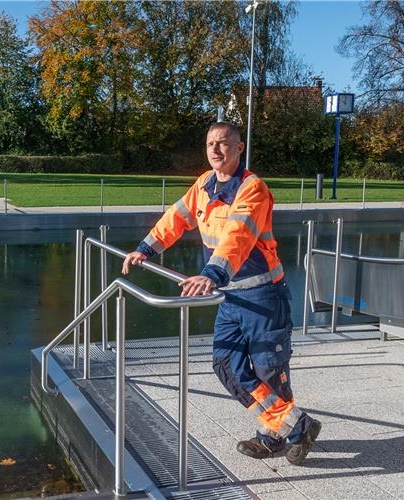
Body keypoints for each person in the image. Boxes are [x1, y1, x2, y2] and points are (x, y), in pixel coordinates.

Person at [121, 122, 321, 465]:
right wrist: (146, 249)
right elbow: (176, 218)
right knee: (226, 363)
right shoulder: (204, 185)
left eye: (223, 143)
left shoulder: (252, 189)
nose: (216, 149)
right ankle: (295, 426)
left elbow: (238, 236)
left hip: (263, 297)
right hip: (231, 297)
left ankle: (273, 435)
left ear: (239, 148)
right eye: (211, 144)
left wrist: (212, 273)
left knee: (269, 369)